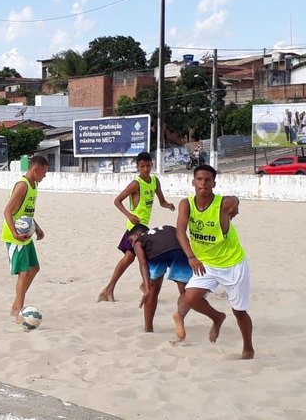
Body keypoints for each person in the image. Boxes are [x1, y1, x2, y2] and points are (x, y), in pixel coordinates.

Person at [173, 164, 254, 359]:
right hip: (206, 262)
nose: (203, 183)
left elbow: (234, 199)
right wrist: (191, 257)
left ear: (213, 184)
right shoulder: (186, 204)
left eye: (207, 180)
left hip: (232, 263)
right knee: (189, 298)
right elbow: (179, 231)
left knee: (239, 311)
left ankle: (248, 348)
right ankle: (217, 317)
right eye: (199, 179)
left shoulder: (222, 204)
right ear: (193, 182)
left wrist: (236, 205)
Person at [98, 152, 175, 302]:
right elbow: (117, 201)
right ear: (137, 167)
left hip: (144, 225)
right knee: (146, 256)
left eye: (148, 165)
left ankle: (109, 289)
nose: (146, 169)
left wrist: (168, 205)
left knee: (129, 258)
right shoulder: (135, 184)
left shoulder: (154, 181)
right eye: (142, 166)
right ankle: (145, 286)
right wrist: (129, 215)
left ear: (152, 165)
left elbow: (161, 201)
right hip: (136, 227)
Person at [128, 224, 224, 334]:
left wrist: (147, 287)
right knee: (186, 294)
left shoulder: (139, 241)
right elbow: (183, 237)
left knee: (153, 290)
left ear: (138, 234)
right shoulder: (167, 228)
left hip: (156, 255)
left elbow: (143, 263)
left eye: (131, 240)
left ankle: (148, 329)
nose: (131, 244)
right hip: (179, 250)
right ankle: (214, 316)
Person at [1, 155, 49, 319]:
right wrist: (14, 233)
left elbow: (25, 212)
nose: (44, 176)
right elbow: (7, 211)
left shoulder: (34, 184)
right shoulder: (22, 185)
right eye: (44, 172)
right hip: (15, 235)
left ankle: (16, 303)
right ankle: (18, 309)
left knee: (34, 268)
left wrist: (37, 228)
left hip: (25, 233)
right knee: (24, 272)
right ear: (35, 169)